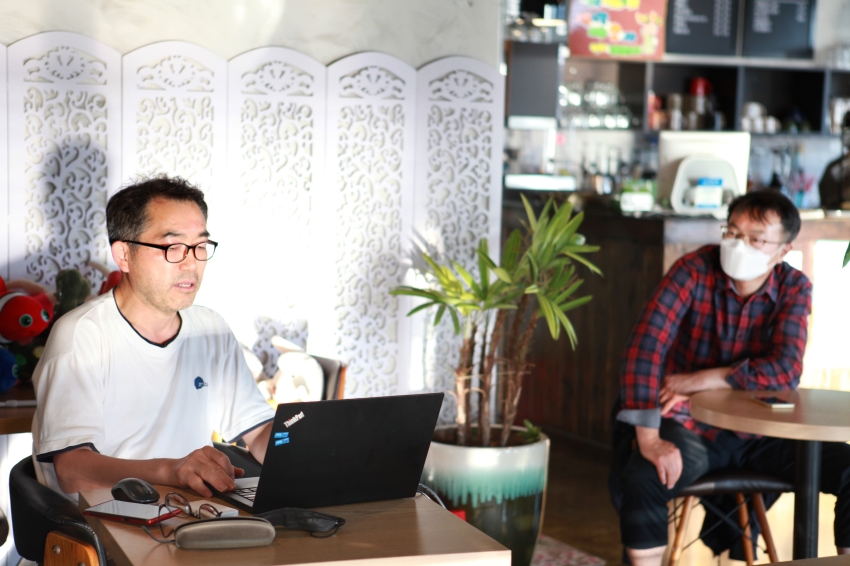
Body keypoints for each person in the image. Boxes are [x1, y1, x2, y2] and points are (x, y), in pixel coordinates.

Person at [609, 190, 850, 565]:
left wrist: (704, 378)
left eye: (756, 239)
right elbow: (645, 347)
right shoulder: (693, 270)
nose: (740, 245)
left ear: (783, 250)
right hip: (692, 425)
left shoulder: (794, 287)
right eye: (733, 233)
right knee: (645, 476)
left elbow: (785, 369)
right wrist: (650, 439)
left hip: (763, 431)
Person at [32, 175, 275, 499]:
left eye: (200, 246)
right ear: (124, 255)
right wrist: (170, 472)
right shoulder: (81, 335)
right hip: (105, 519)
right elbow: (73, 472)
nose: (191, 263)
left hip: (193, 511)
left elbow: (259, 431)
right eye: (173, 247)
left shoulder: (211, 329)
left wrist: (314, 447)